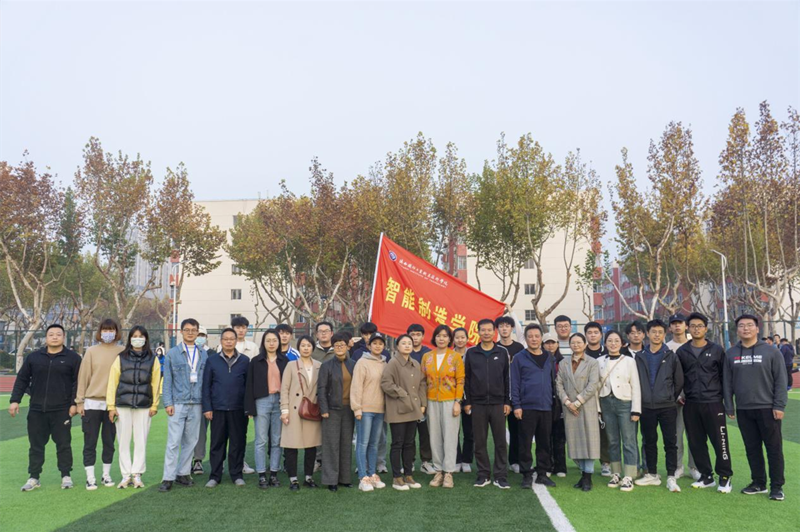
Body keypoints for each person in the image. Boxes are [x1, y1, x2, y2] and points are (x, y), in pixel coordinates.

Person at [10, 324, 82, 492]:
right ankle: (34, 477)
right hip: (37, 410)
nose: (55, 337)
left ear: (64, 337)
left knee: (63, 444)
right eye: (51, 334)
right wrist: (15, 400)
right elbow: (22, 379)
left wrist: (74, 403)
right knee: (36, 445)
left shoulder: (73, 358)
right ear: (46, 338)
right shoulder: (34, 357)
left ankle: (66, 475)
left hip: (62, 410)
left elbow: (77, 383)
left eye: (58, 334)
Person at [724, 314, 787, 501]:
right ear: (737, 330)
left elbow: (781, 380)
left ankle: (776, 487)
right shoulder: (731, 353)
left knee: (774, 449)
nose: (746, 328)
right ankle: (758, 483)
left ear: (757, 329)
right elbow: (727, 382)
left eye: (750, 325)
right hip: (744, 409)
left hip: (768, 409)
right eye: (742, 325)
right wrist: (729, 406)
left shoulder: (771, 352)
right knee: (752, 448)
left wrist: (779, 405)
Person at [676, 312, 732, 493]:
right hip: (691, 404)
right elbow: (678, 377)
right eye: (693, 326)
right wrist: (679, 394)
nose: (696, 329)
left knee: (720, 441)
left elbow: (725, 377)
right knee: (696, 442)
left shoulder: (717, 350)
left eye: (700, 326)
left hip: (713, 402)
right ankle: (706, 476)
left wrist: (727, 404)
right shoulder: (682, 351)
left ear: (706, 329)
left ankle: (725, 477)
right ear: (688, 328)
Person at [106, 325, 161, 489]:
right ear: (130, 339)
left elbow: (156, 383)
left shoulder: (153, 359)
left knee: (140, 440)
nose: (138, 339)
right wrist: (111, 406)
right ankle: (125, 475)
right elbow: (112, 382)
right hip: (122, 405)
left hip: (144, 406)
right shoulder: (121, 358)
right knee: (123, 441)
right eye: (134, 336)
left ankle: (137, 474)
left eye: (141, 336)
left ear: (146, 339)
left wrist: (154, 405)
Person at [634, 319, 684, 493]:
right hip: (646, 406)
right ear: (647, 334)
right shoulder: (639, 356)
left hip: (667, 406)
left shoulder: (671, 356)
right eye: (653, 332)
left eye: (660, 332)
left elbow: (679, 381)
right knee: (649, 441)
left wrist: (669, 397)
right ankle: (652, 474)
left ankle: (671, 476)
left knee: (670, 442)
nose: (657, 335)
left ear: (665, 334)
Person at [160, 318, 208, 492]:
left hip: (197, 403)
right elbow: (167, 380)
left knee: (191, 441)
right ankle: (168, 477)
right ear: (181, 332)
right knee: (173, 442)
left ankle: (183, 473)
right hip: (178, 403)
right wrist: (168, 403)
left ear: (198, 332)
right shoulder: (173, 354)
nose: (190, 333)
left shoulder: (203, 353)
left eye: (194, 330)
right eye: (187, 330)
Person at [75, 318, 124, 490]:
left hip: (113, 405)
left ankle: (106, 475)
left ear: (116, 332)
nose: (108, 333)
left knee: (109, 441)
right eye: (105, 330)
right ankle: (90, 477)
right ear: (100, 332)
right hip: (92, 403)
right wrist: (79, 401)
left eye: (111, 330)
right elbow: (83, 377)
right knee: (90, 442)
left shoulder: (123, 351)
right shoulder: (91, 351)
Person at [464, 319, 511, 489]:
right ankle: (483, 474)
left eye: (489, 330)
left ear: (494, 332)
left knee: (500, 441)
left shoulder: (502, 352)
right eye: (483, 330)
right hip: (478, 404)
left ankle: (500, 475)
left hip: (498, 404)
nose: (486, 333)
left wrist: (507, 401)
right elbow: (466, 379)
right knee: (480, 441)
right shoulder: (471, 352)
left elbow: (507, 378)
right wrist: (467, 402)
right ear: (478, 332)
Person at [202, 327, 250, 487]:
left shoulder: (244, 360)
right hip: (218, 409)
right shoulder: (212, 360)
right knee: (217, 443)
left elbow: (248, 386)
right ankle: (215, 476)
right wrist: (207, 408)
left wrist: (248, 408)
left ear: (236, 341)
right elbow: (206, 386)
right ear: (221, 341)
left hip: (238, 409)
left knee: (238, 443)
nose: (228, 341)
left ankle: (236, 475)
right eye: (225, 339)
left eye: (231, 339)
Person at [511, 324, 557, 489]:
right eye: (530, 336)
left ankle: (542, 474)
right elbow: (514, 383)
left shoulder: (549, 357)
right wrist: (516, 405)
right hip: (526, 407)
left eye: (537, 336)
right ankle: (526, 474)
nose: (534, 339)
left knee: (544, 442)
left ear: (541, 338)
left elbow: (553, 381)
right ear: (525, 338)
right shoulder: (519, 358)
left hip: (546, 406)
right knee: (525, 443)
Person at [381, 333, 427, 491]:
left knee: (409, 443)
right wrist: (402, 394)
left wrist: (422, 403)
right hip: (398, 409)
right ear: (397, 346)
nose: (407, 345)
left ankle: (408, 475)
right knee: (397, 443)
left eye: (409, 343)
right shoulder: (393, 363)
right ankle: (397, 477)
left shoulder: (415, 363)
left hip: (413, 409)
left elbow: (422, 384)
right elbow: (386, 383)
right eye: (404, 343)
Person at [421, 325, 464, 488]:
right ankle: (438, 471)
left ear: (449, 339)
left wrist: (457, 401)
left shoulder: (455, 357)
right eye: (439, 335)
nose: (441, 338)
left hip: (450, 401)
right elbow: (422, 381)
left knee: (450, 437)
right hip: (431, 401)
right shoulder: (427, 357)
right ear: (434, 338)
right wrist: (423, 403)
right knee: (434, 437)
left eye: (445, 336)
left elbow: (460, 380)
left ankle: (449, 473)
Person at [597, 330, 640, 492]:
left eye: (616, 340)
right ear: (605, 343)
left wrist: (636, 410)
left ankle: (629, 475)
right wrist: (598, 409)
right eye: (610, 340)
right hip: (606, 402)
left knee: (629, 440)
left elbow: (635, 385)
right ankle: (616, 473)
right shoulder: (599, 361)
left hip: (625, 403)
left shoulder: (629, 361)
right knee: (612, 440)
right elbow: (596, 387)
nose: (613, 343)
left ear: (622, 343)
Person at [245, 329, 288, 489]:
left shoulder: (285, 361)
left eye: (274, 340)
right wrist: (249, 408)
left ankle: (274, 473)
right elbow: (249, 384)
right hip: (261, 401)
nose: (271, 343)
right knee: (261, 440)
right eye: (268, 340)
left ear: (279, 342)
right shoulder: (256, 361)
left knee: (277, 440)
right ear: (263, 342)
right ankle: (262, 474)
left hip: (280, 402)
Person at [557, 333, 600, 491]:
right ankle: (583, 474)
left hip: (586, 406)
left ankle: (587, 477)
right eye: (573, 342)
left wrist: (577, 402)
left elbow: (593, 385)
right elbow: (559, 384)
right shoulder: (563, 363)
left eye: (579, 342)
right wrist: (568, 402)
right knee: (575, 442)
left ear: (585, 344)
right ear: (569, 345)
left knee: (589, 441)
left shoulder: (592, 362)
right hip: (569, 407)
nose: (576, 345)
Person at [280, 335, 322, 490]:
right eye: (303, 345)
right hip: (294, 410)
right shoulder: (291, 365)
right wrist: (284, 410)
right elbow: (284, 389)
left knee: (311, 446)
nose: (306, 348)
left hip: (312, 410)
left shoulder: (319, 365)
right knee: (291, 445)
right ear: (298, 347)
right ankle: (293, 479)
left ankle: (308, 477)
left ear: (313, 348)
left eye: (308, 345)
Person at [318, 332, 357, 491]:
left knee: (346, 444)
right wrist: (324, 409)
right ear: (333, 347)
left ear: (348, 346)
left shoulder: (354, 365)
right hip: (331, 410)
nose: (340, 347)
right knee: (331, 445)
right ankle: (331, 480)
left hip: (349, 410)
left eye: (342, 344)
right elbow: (321, 389)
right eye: (336, 345)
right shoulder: (326, 366)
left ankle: (345, 478)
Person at [351, 333, 388, 491]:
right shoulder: (362, 362)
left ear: (384, 346)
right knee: (362, 443)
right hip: (365, 410)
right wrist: (357, 408)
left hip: (380, 410)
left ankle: (372, 474)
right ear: (369, 345)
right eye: (374, 343)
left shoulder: (385, 363)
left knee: (374, 444)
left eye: (380, 343)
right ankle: (363, 477)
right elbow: (356, 386)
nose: (377, 346)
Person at [666, 313, 699, 481]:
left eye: (680, 323)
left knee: (694, 434)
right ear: (670, 327)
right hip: (675, 399)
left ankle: (694, 467)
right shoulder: (666, 348)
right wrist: (677, 394)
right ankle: (678, 466)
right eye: (674, 323)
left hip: (694, 397)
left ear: (686, 326)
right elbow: (667, 375)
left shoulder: (694, 344)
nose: (677, 326)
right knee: (676, 435)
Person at [496, 315, 525, 474]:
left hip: (516, 395)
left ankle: (515, 461)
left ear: (512, 328)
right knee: (498, 432)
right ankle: (499, 463)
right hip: (498, 396)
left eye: (507, 326)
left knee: (516, 430)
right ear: (498, 329)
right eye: (501, 326)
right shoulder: (494, 347)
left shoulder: (519, 348)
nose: (504, 329)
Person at [583, 321, 609, 476]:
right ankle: (585, 462)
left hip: (604, 397)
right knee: (586, 432)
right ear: (586, 335)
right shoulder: (581, 353)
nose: (592, 335)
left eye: (595, 332)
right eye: (589, 332)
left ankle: (606, 462)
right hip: (585, 399)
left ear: (601, 335)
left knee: (604, 432)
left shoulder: (608, 352)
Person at [407, 323, 433, 475]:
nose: (415, 337)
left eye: (418, 334)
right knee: (409, 433)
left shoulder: (428, 353)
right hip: (408, 400)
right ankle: (409, 462)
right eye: (412, 334)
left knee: (425, 433)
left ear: (423, 336)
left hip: (425, 399)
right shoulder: (404, 352)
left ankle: (425, 462)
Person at [543, 332, 567, 478]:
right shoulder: (540, 360)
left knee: (559, 436)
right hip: (545, 402)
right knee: (545, 436)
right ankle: (547, 465)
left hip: (560, 403)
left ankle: (560, 466)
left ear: (557, 344)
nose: (550, 345)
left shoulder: (563, 362)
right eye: (547, 343)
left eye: (553, 342)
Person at [190, 326, 212, 475]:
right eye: (198, 334)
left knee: (203, 431)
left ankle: (199, 460)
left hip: (206, 398)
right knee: (188, 432)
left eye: (202, 335)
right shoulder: (185, 352)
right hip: (188, 398)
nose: (199, 337)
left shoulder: (212, 354)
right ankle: (188, 461)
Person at [453, 327, 474, 474]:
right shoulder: (449, 355)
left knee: (469, 431)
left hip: (469, 398)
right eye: (457, 337)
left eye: (462, 337)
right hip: (452, 398)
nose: (460, 340)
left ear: (467, 338)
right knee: (453, 431)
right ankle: (456, 460)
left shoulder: (472, 354)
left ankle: (466, 460)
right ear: (453, 339)